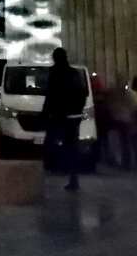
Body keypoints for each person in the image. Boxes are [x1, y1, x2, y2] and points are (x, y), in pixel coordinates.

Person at [41, 48, 87, 191]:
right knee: (73, 147)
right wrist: (78, 110)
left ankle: (53, 170)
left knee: (51, 142)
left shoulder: (55, 73)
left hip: (58, 116)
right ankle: (73, 179)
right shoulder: (75, 73)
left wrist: (45, 113)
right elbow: (83, 94)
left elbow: (50, 95)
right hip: (74, 117)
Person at [104, 75, 137, 170]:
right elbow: (135, 106)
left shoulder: (112, 92)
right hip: (125, 119)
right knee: (125, 142)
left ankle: (117, 161)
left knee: (117, 142)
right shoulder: (129, 94)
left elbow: (108, 104)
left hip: (115, 118)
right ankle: (126, 163)